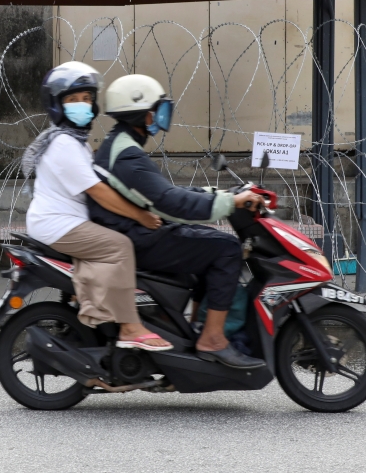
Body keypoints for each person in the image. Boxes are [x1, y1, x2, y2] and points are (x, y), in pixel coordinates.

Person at [87, 73, 265, 369]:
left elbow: (165, 193)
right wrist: (227, 202)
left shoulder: (121, 144)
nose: (161, 116)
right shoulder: (127, 155)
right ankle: (212, 339)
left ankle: (185, 329)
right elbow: (170, 202)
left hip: (137, 230)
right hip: (137, 237)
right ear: (141, 114)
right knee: (226, 248)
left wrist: (222, 194)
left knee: (202, 242)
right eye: (158, 110)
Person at [23, 62, 172, 352]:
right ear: (57, 105)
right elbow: (99, 192)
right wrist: (141, 215)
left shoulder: (77, 142)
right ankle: (130, 327)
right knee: (118, 246)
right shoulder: (64, 143)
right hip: (59, 225)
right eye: (73, 100)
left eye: (87, 99)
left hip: (67, 222)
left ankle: (93, 305)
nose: (82, 105)